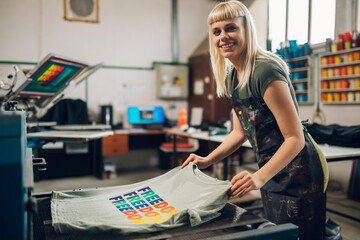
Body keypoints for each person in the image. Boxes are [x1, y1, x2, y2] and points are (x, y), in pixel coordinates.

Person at [181, 1, 329, 239]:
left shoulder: (264, 71)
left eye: (231, 28)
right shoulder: (234, 76)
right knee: (279, 233)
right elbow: (239, 133)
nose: (223, 37)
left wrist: (259, 176)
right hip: (272, 170)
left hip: (299, 171)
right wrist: (207, 159)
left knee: (299, 235)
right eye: (216, 32)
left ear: (246, 29)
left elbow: (295, 138)